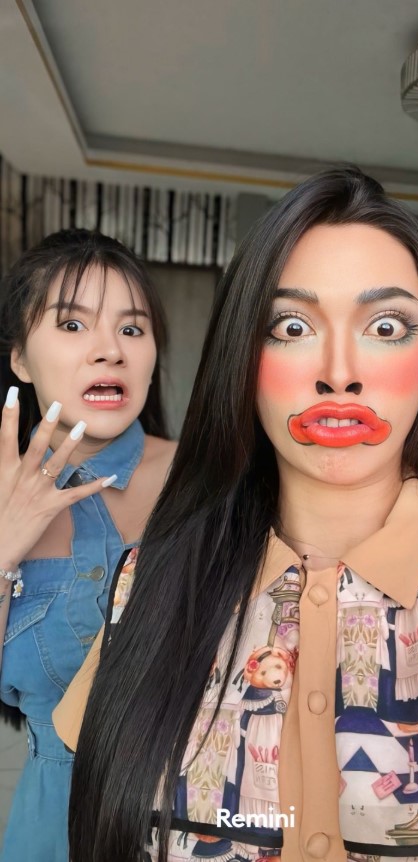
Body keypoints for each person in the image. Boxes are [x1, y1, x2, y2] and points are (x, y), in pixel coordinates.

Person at [55, 168, 418, 862]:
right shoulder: (149, 583)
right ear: (243, 355)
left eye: (386, 327)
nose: (339, 372)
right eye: (293, 326)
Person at [0, 229, 177, 862]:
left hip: (199, 824)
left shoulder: (214, 484)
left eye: (132, 329)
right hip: (49, 833)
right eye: (72, 325)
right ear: (21, 359)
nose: (110, 350)